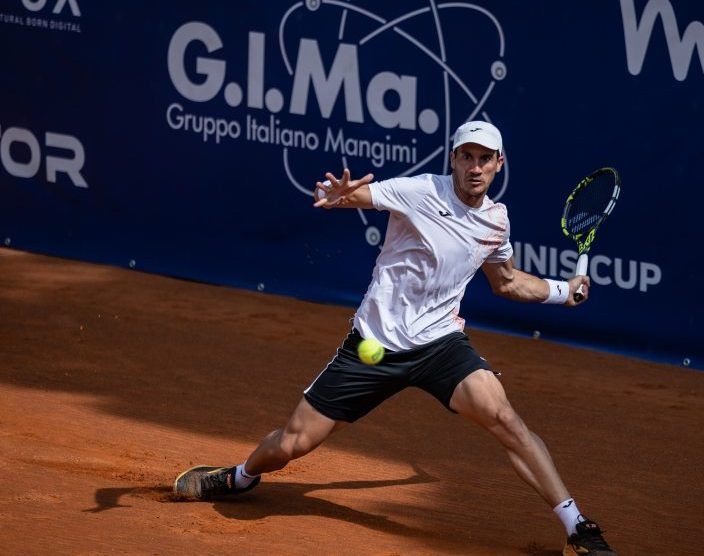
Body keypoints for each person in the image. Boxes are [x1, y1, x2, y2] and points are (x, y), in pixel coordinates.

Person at [174, 121, 616, 555]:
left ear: (499, 164)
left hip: (440, 345)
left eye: (485, 159)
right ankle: (239, 477)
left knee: (505, 419)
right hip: (376, 345)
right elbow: (359, 196)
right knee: (293, 443)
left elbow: (507, 281)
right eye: (467, 157)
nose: (475, 167)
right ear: (453, 159)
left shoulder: (496, 220)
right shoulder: (421, 191)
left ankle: (577, 526)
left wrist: (563, 292)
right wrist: (338, 195)